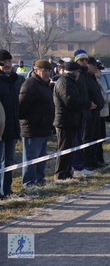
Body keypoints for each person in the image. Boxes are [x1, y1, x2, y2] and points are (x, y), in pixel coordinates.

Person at [53, 62, 96, 181]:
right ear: (74, 72)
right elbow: (70, 101)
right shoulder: (64, 83)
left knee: (70, 149)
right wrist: (87, 104)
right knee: (64, 149)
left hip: (71, 121)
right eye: (78, 72)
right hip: (64, 121)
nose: (79, 75)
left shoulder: (70, 82)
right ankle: (61, 174)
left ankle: (67, 172)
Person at [18, 59, 55, 188]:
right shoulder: (30, 85)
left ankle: (40, 179)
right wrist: (34, 120)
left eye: (49, 71)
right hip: (32, 128)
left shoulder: (44, 85)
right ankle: (29, 183)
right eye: (44, 71)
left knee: (41, 158)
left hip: (44, 128)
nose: (47, 73)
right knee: (31, 158)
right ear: (36, 70)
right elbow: (21, 108)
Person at [0, 50, 25, 198]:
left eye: (10, 62)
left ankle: (7, 190)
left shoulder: (14, 80)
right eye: (5, 62)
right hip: (0, 128)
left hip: (12, 127)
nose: (8, 65)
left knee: (8, 162)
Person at [82, 57, 105, 170]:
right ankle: (87, 161)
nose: (96, 67)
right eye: (94, 65)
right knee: (88, 138)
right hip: (89, 113)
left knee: (96, 137)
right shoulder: (85, 78)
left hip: (96, 113)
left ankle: (93, 159)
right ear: (88, 66)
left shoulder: (93, 78)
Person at [95, 62, 110, 167]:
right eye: (99, 69)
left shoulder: (98, 80)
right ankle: (97, 159)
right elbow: (101, 97)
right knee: (98, 138)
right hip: (99, 113)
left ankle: (100, 159)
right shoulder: (95, 81)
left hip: (103, 113)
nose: (100, 71)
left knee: (102, 137)